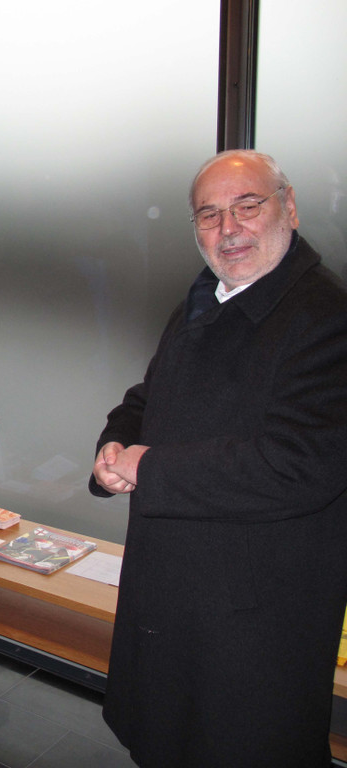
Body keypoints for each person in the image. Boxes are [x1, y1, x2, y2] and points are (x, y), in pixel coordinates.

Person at [90, 149, 347, 767]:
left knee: (243, 745)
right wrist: (113, 444)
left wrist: (149, 468)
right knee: (167, 742)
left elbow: (299, 465)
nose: (228, 229)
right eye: (209, 215)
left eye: (247, 207)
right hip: (175, 593)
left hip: (256, 612)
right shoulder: (206, 298)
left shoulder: (326, 316)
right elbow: (148, 396)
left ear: (289, 208)